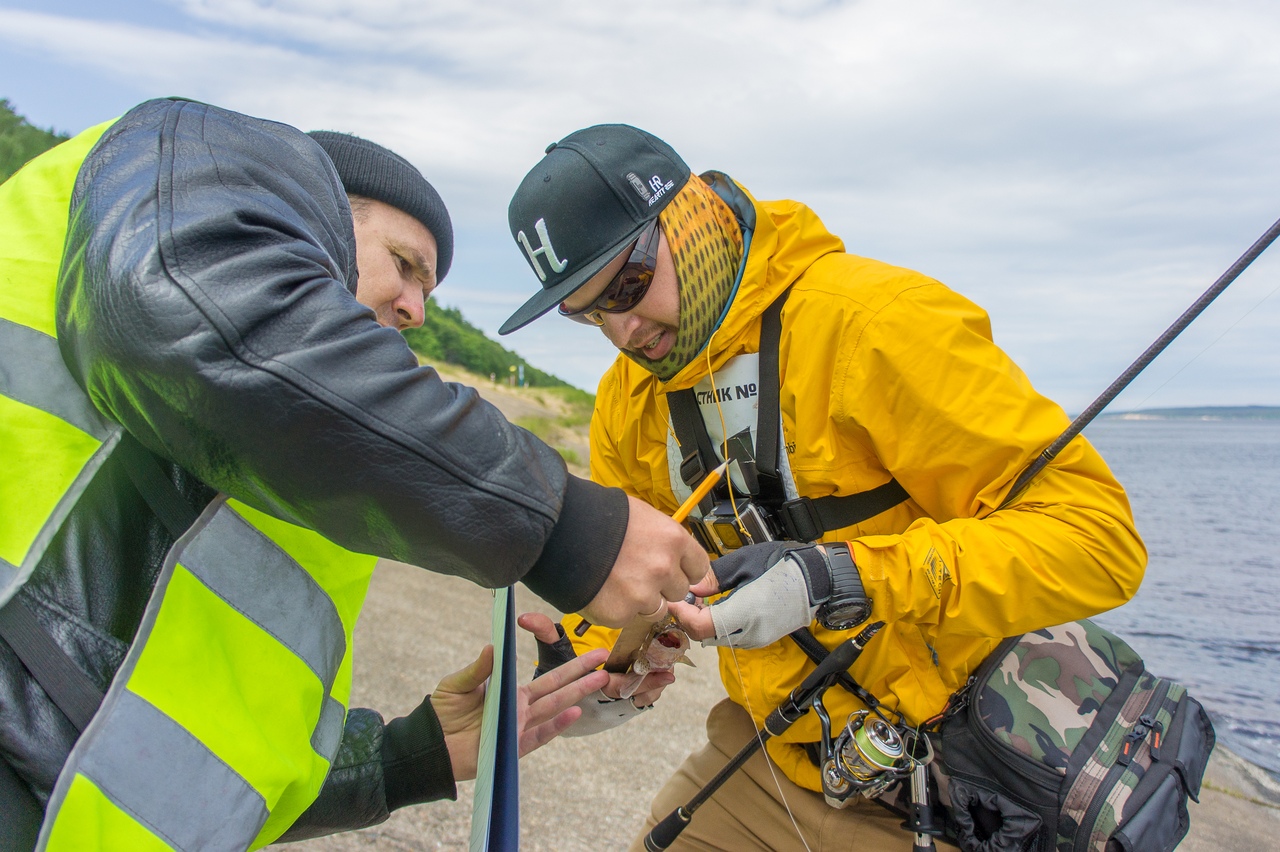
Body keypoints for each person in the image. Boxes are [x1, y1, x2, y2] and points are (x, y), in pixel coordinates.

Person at [0, 99, 707, 848]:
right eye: (404, 265)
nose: (413, 310)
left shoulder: (307, 458)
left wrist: (407, 758)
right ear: (313, 207)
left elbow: (210, 754)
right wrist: (565, 525)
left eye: (427, 297)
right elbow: (185, 314)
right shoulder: (203, 154)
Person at [503, 124, 1147, 850]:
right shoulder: (627, 402)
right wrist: (594, 665)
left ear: (690, 217)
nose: (621, 332)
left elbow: (1100, 542)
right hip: (770, 757)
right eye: (587, 312)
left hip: (955, 779)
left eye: (627, 285)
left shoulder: (878, 322)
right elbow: (635, 584)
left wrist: (836, 577)